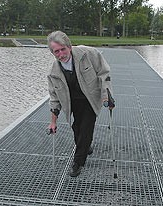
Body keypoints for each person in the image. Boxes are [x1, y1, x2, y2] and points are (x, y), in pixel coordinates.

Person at [47, 31, 114, 177]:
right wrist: (53, 122)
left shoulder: (88, 54)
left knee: (85, 129)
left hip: (90, 97)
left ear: (69, 46)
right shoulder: (53, 72)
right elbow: (54, 98)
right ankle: (86, 146)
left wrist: (107, 96)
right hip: (72, 101)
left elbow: (104, 73)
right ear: (52, 53)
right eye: (56, 51)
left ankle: (78, 162)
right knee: (77, 128)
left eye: (63, 49)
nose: (61, 54)